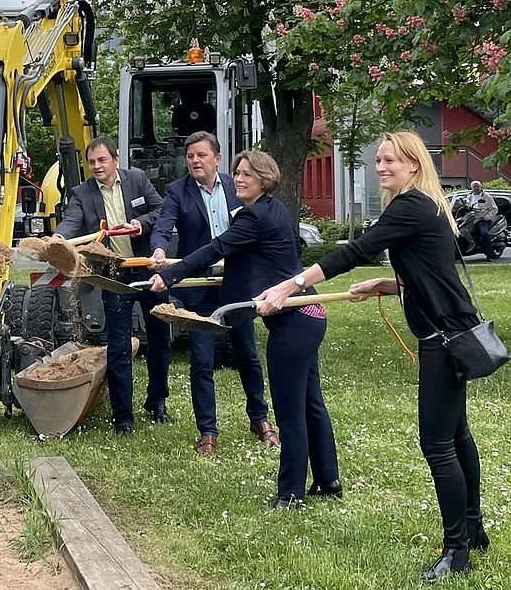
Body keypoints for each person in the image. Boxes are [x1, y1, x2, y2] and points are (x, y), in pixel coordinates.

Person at [255, 131, 487, 581]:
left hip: (443, 339)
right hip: (452, 330)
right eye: (378, 160)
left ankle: (457, 549)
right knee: (457, 436)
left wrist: (290, 284)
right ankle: (473, 530)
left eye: (390, 160)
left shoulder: (410, 205)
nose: (381, 167)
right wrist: (386, 285)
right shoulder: (426, 205)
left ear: (413, 165)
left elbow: (356, 251)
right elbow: (431, 273)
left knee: (438, 445)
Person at [150, 150, 339, 509]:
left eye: (246, 175)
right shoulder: (272, 209)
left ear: (264, 180)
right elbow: (239, 259)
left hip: (294, 321)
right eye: (236, 173)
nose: (238, 179)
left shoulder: (254, 217)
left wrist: (169, 275)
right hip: (310, 314)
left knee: (289, 410)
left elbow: (215, 249)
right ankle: (328, 479)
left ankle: (291, 494)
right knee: (310, 401)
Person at [150, 131, 278, 456]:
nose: (195, 161)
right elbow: (163, 225)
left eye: (201, 155)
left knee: (248, 355)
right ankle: (207, 431)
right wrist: (159, 250)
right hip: (200, 290)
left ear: (217, 158)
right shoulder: (177, 191)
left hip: (236, 286)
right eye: (190, 156)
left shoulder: (238, 188)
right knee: (201, 362)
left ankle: (260, 419)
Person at [53, 136, 172, 435]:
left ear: (115, 160)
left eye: (102, 160)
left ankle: (157, 402)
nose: (96, 167)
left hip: (148, 268)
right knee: (119, 346)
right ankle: (123, 418)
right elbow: (72, 220)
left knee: (160, 338)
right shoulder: (82, 193)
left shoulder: (138, 179)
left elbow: (162, 210)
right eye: (91, 162)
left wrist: (141, 224)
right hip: (114, 274)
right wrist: (58, 239)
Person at [467, 180, 498, 260]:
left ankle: (488, 254)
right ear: (471, 187)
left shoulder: (487, 196)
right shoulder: (468, 197)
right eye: (474, 186)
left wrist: (485, 217)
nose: (476, 188)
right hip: (471, 219)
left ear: (481, 187)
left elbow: (494, 209)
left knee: (484, 233)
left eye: (478, 186)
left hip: (482, 220)